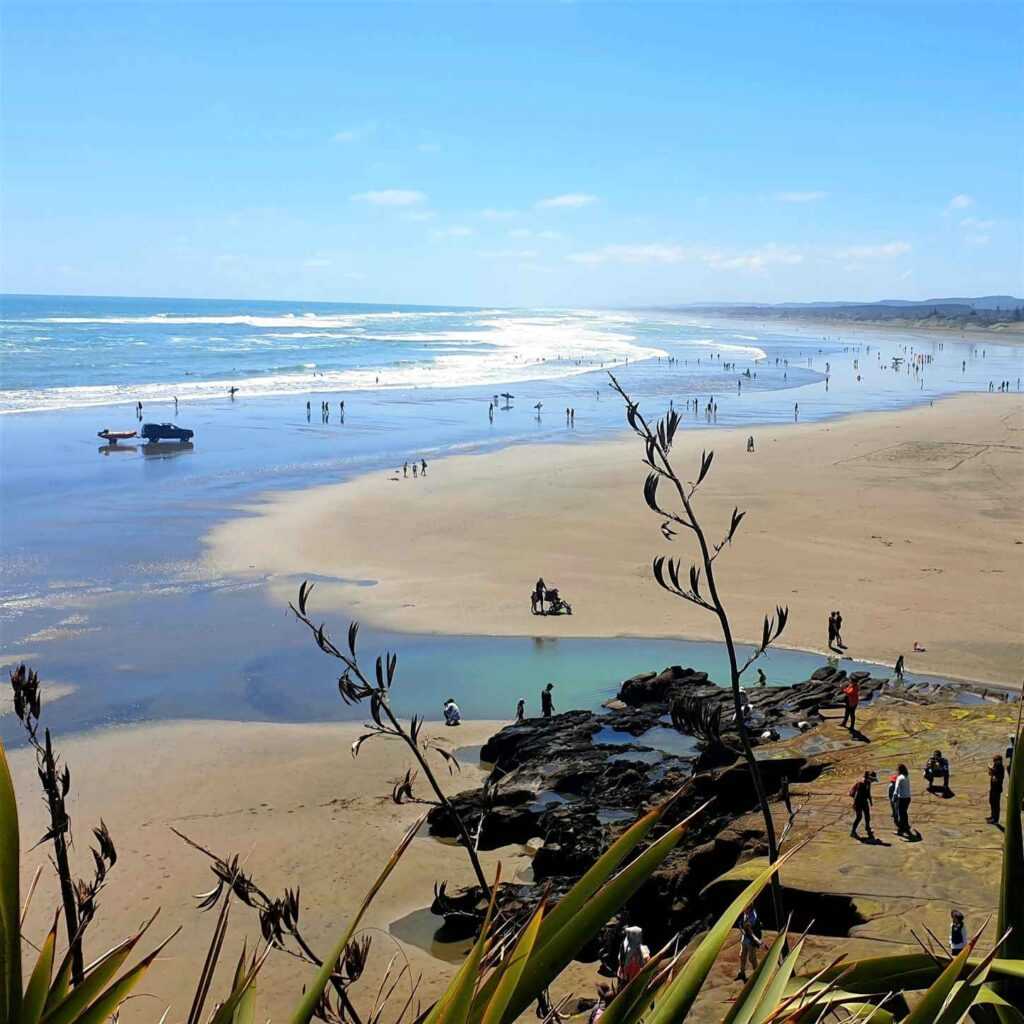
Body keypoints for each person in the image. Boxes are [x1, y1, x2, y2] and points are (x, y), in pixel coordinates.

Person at [736, 906, 763, 981]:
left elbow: (750, 932)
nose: (743, 910)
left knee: (752, 958)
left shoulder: (753, 916)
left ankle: (757, 974)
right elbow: (742, 926)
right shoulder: (745, 913)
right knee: (742, 956)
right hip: (744, 939)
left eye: (745, 908)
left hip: (750, 941)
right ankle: (742, 973)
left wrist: (757, 940)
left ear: (749, 908)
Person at [850, 770, 876, 839]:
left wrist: (870, 801)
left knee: (867, 815)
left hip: (864, 801)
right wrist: (855, 804)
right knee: (859, 817)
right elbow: (856, 795)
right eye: (873, 779)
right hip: (858, 802)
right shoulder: (861, 783)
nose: (873, 781)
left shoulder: (868, 782)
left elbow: (868, 792)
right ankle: (853, 832)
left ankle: (867, 828)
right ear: (869, 778)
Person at [894, 764, 912, 836]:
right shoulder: (906, 777)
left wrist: (894, 796)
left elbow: (896, 788)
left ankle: (901, 830)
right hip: (908, 798)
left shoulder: (899, 778)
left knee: (901, 814)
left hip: (902, 798)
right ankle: (906, 827)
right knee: (904, 813)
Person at [988, 754, 1005, 824]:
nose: (994, 762)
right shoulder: (996, 766)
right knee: (991, 802)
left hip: (997, 788)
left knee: (996, 804)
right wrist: (991, 770)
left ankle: (996, 819)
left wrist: (994, 777)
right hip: (993, 787)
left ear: (999, 761)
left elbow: (998, 778)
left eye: (995, 761)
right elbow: (991, 773)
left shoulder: (1000, 767)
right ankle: (992, 816)